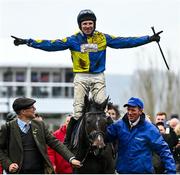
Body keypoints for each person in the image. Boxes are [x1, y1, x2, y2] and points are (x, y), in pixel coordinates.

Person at [11, 9, 162, 146]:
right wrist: (27, 42)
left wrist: (148, 38)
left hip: (98, 77)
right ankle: (68, 142)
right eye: (85, 24)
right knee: (77, 113)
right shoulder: (73, 40)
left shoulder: (103, 38)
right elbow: (50, 44)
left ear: (94, 24)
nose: (88, 26)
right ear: (80, 25)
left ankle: (112, 144)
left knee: (102, 113)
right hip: (81, 77)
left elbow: (125, 41)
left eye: (90, 23)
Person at [0, 97, 81, 174]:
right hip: (19, 172)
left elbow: (55, 143)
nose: (35, 109)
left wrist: (71, 158)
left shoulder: (40, 125)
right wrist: (8, 164)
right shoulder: (7, 128)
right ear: (23, 111)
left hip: (40, 172)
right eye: (32, 107)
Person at [106, 97, 176, 174]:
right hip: (122, 172)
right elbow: (104, 137)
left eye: (133, 110)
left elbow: (164, 150)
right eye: (128, 109)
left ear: (140, 111)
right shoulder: (118, 126)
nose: (129, 112)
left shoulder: (150, 129)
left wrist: (171, 171)